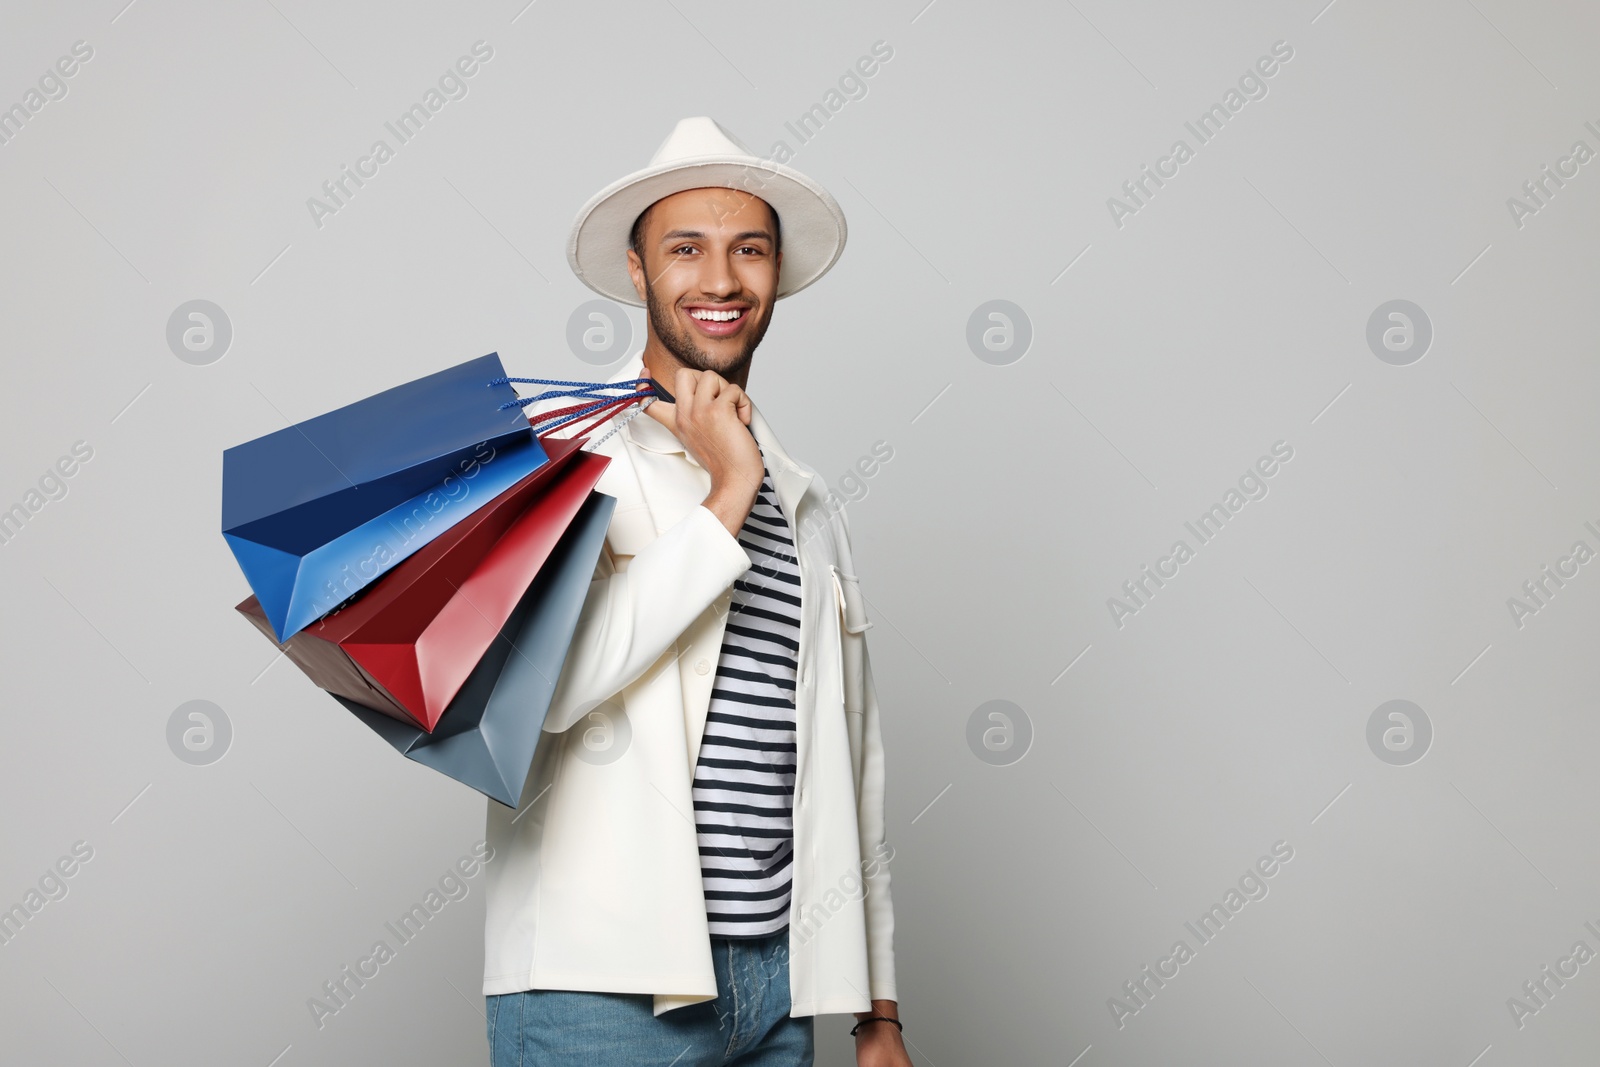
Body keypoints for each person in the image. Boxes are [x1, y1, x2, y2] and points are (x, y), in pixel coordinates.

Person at [481, 116, 910, 1067]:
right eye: (687, 249)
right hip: (602, 988)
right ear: (638, 273)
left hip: (780, 986)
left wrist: (877, 1008)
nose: (720, 280)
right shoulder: (565, 456)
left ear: (776, 275)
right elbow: (546, 691)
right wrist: (725, 495)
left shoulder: (808, 501)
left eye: (747, 249)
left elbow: (853, 758)